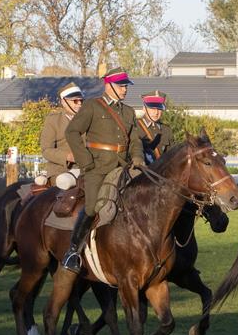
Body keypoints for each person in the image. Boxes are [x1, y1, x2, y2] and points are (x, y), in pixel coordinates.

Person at [61, 68, 137, 271]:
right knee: (92, 206)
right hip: (97, 167)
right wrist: (86, 161)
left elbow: (135, 140)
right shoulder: (92, 106)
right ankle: (73, 252)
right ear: (108, 85)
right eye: (121, 86)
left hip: (124, 166)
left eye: (126, 86)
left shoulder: (129, 112)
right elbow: (72, 132)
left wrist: (138, 159)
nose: (124, 89)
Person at [38, 82, 83, 186]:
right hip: (60, 170)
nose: (79, 104)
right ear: (63, 102)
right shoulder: (53, 120)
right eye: (75, 101)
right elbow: (46, 150)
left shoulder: (88, 118)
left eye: (81, 100)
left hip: (86, 169)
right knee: (64, 183)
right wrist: (68, 156)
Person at [134, 90, 175, 165]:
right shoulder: (134, 127)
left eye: (159, 108)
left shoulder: (166, 130)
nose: (156, 112)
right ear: (144, 108)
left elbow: (172, 156)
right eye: (152, 108)